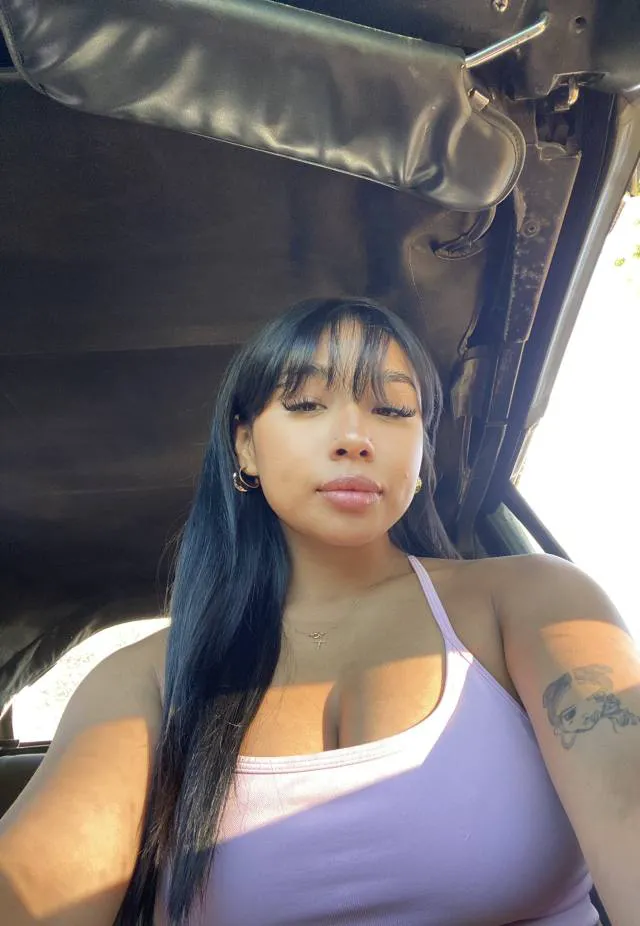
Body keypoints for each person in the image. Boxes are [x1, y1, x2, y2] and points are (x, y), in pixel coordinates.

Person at [0, 297, 608, 925]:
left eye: (393, 410)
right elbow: (39, 880)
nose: (354, 439)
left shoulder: (535, 603)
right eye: (306, 404)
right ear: (245, 447)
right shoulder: (146, 681)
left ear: (423, 452)